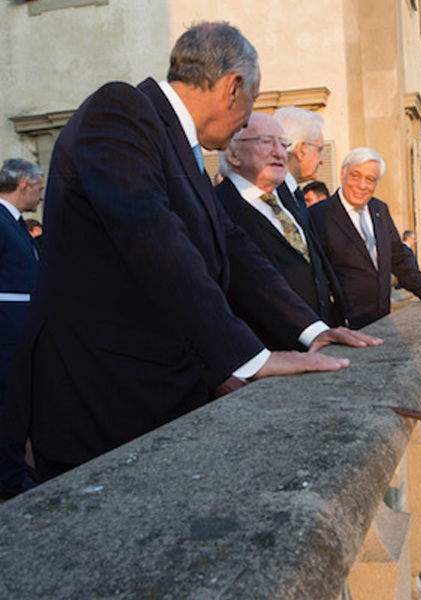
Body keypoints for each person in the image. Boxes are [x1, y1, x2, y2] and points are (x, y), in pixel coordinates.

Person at [0, 22, 377, 483]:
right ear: (233, 87)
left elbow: (232, 247)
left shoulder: (183, 144)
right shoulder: (119, 110)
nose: (247, 120)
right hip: (102, 394)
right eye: (253, 104)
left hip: (156, 389)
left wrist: (310, 330)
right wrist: (250, 357)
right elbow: (153, 238)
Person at [217, 112, 355, 332]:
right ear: (233, 154)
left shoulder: (285, 198)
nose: (280, 152)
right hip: (271, 356)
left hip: (321, 347)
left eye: (283, 143)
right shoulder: (217, 208)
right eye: (266, 142)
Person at [308, 147, 421, 329]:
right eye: (355, 175)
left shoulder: (380, 210)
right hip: (341, 329)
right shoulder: (317, 215)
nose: (362, 185)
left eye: (370, 179)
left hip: (382, 323)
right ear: (342, 174)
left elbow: (399, 259)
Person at [0, 158, 43, 498]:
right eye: (39, 188)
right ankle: (10, 475)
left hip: (20, 332)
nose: (41, 197)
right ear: (24, 185)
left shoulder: (12, 223)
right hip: (7, 336)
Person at [274, 106, 325, 217]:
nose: (322, 160)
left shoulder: (294, 194)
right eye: (319, 150)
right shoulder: (273, 197)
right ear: (301, 150)